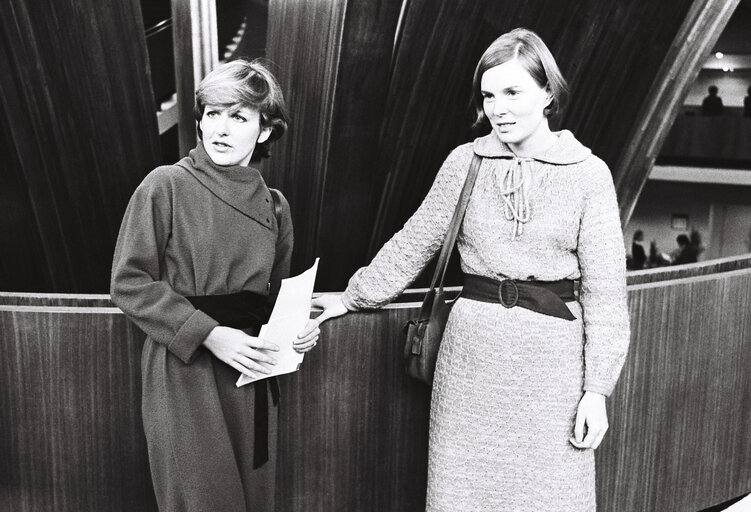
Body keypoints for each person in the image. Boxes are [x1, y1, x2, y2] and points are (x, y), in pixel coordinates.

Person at [303, 28, 630, 511]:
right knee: (462, 497)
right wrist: (352, 296)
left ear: (547, 93)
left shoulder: (587, 172)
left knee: (550, 497)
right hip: (470, 364)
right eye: (489, 95)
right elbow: (415, 242)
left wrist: (597, 390)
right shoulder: (467, 161)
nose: (498, 108)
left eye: (513, 92)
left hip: (551, 373)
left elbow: (606, 294)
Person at [110, 59, 320, 512]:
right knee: (204, 500)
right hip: (184, 368)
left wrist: (298, 330)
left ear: (265, 131)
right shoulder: (164, 185)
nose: (220, 129)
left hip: (250, 371)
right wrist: (208, 333)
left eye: (239, 117)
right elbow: (129, 283)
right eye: (212, 114)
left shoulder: (276, 207)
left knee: (251, 500)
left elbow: (273, 300)